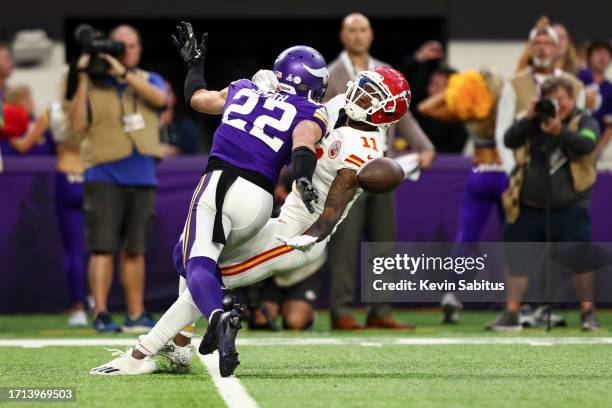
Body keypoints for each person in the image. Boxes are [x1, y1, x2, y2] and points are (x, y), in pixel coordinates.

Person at [90, 66, 415, 377]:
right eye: (366, 87)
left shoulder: (366, 149)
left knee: (206, 272)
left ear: (386, 111)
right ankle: (179, 346)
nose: (360, 95)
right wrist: (277, 92)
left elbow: (332, 212)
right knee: (194, 262)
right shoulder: (343, 103)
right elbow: (305, 122)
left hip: (299, 233)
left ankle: (141, 353)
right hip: (284, 216)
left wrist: (312, 236)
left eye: (372, 95)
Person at [92, 21, 330, 377]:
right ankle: (181, 348)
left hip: (222, 183)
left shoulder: (244, 88)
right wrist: (301, 178)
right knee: (185, 257)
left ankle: (193, 329)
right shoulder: (310, 111)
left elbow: (197, 98)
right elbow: (303, 146)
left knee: (198, 263)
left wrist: (195, 67)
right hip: (260, 199)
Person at [323, 12, 435, 330]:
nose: (358, 36)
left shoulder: (385, 71)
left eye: (363, 30)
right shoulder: (332, 74)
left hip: (382, 166)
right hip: (346, 170)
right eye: (352, 31)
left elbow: (403, 115)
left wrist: (424, 145)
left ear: (371, 34)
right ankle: (341, 311)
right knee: (344, 243)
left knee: (384, 240)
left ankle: (380, 310)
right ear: (343, 37)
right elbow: (322, 119)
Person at [68, 24, 168, 333]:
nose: (124, 51)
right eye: (118, 46)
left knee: (135, 249)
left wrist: (122, 74)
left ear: (138, 49)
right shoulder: (93, 83)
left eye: (130, 46)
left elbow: (160, 100)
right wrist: (84, 75)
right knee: (102, 247)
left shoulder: (149, 78)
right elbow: (76, 123)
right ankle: (100, 312)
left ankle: (135, 314)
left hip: (142, 173)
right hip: (103, 172)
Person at [486, 77, 601, 332]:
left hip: (569, 205)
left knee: (579, 258)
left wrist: (560, 131)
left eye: (561, 99)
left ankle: (588, 313)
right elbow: (508, 140)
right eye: (551, 99)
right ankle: (512, 312)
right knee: (517, 256)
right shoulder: (532, 122)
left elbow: (588, 143)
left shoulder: (585, 120)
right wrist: (529, 118)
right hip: (528, 205)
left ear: (572, 99)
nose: (556, 105)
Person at [418, 69, 509, 323]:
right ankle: (517, 303)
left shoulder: (471, 112)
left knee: (466, 238)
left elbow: (425, 107)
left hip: (480, 174)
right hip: (504, 176)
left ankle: (451, 294)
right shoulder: (507, 112)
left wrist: (456, 91)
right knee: (514, 240)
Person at [496, 16, 585, 174]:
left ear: (556, 48)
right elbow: (502, 130)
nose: (542, 48)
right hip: (526, 168)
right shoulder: (514, 84)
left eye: (547, 43)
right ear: (530, 49)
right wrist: (512, 169)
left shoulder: (575, 86)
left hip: (564, 169)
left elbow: (580, 128)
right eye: (536, 43)